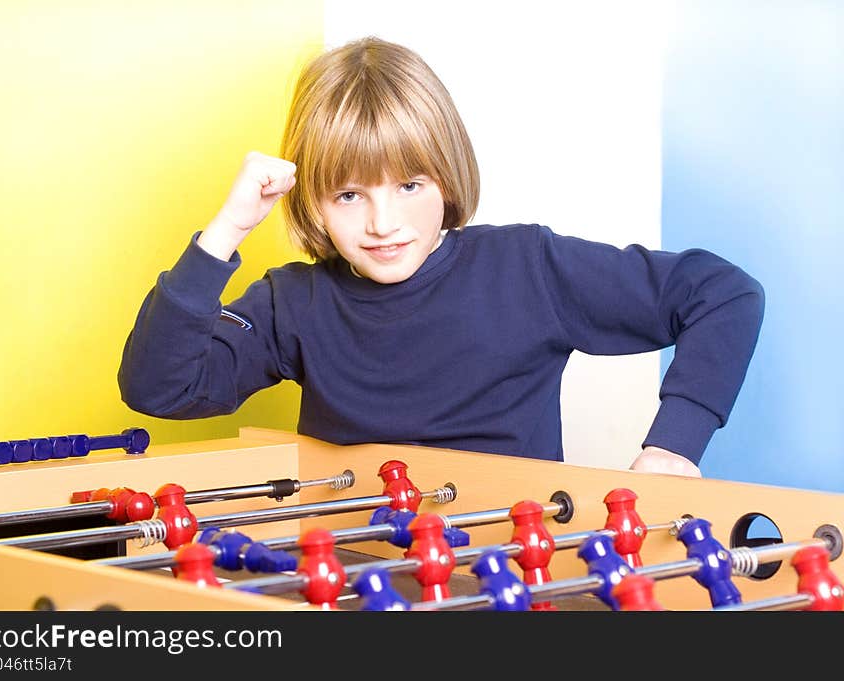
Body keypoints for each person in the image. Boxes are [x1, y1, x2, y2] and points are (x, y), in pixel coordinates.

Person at [118, 36, 765, 478]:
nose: (383, 223)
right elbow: (158, 386)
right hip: (353, 579)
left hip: (514, 583)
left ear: (447, 179)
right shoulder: (294, 301)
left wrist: (675, 443)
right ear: (312, 199)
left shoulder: (526, 268)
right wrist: (227, 228)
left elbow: (723, 293)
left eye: (409, 185)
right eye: (348, 194)